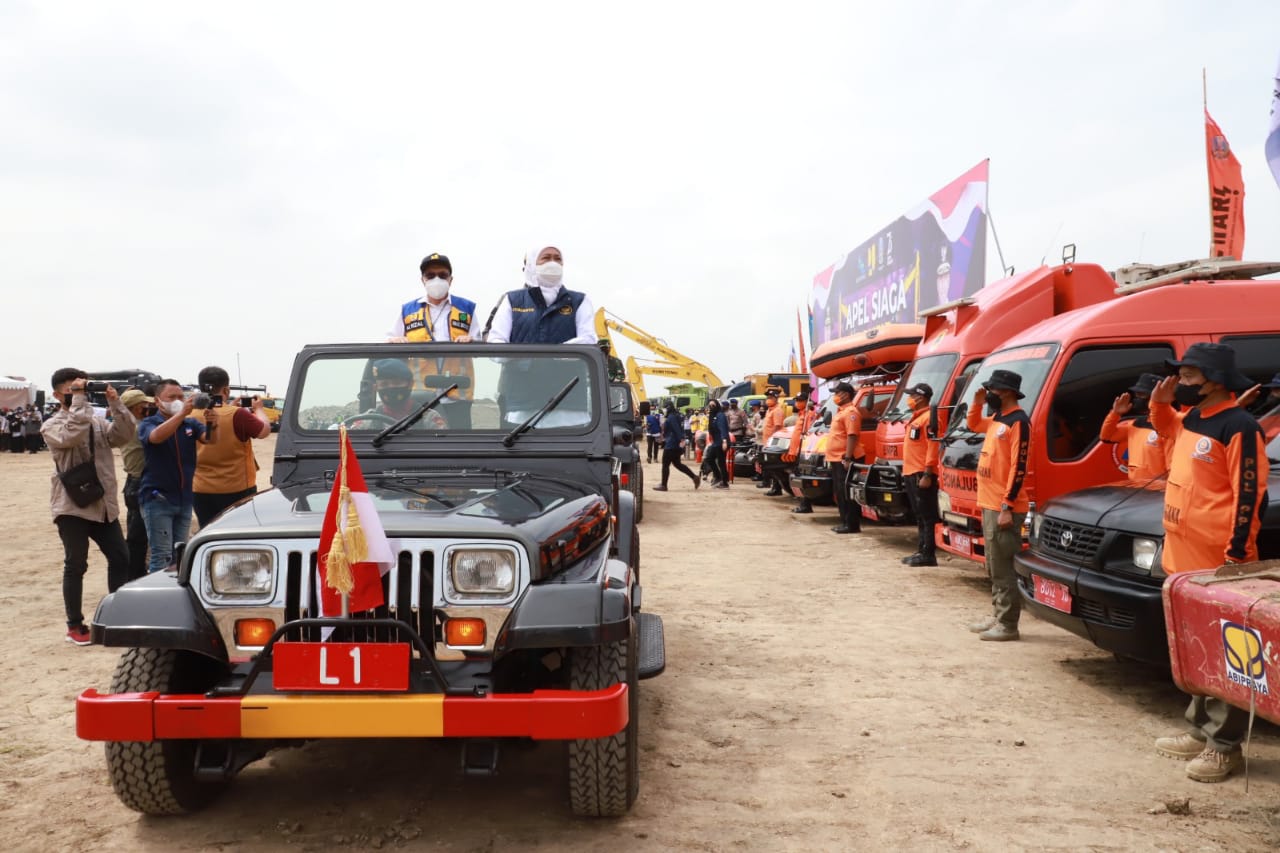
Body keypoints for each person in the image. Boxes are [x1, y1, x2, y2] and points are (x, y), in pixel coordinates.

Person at [1149, 343, 1268, 783]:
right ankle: (1200, 730)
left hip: (1219, 563)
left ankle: (1225, 746)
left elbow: (1249, 494)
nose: (1182, 381)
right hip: (1184, 561)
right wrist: (1158, 403)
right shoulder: (1193, 419)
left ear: (1215, 379)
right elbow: (1166, 432)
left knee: (1228, 657)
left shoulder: (1240, 426)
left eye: (1190, 374)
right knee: (1198, 653)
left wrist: (1235, 555)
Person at [41, 368, 137, 645]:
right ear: (58, 394)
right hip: (72, 504)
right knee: (76, 564)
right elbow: (71, 435)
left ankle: (117, 617)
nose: (78, 393)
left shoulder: (95, 421)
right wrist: (80, 399)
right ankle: (75, 625)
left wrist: (115, 403)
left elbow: (124, 435)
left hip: (103, 502)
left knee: (121, 557)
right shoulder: (52, 424)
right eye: (72, 390)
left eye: (81, 388)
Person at [965, 370, 1031, 642]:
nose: (989, 393)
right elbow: (973, 424)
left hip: (1004, 506)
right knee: (994, 565)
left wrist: (1007, 504)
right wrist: (977, 403)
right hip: (989, 503)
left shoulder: (1018, 422)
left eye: (991, 390)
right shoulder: (996, 419)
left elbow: (1019, 466)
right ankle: (997, 614)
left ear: (1004, 392)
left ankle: (1008, 624)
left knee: (1003, 566)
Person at [390, 253, 479, 427]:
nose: (436, 279)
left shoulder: (467, 308)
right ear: (422, 280)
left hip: (457, 396)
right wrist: (396, 341)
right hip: (420, 397)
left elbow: (481, 344)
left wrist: (472, 341)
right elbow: (389, 341)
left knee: (460, 448)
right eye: (430, 276)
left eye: (442, 275)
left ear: (451, 279)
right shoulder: (407, 310)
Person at [138, 379, 211, 573]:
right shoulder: (149, 423)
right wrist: (180, 414)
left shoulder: (190, 423)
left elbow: (211, 439)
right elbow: (155, 437)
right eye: (172, 397)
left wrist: (213, 422)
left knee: (180, 555)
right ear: (157, 401)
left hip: (184, 498)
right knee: (161, 556)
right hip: (158, 498)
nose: (177, 401)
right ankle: (156, 599)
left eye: (181, 397)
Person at [192, 367, 273, 528]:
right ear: (226, 389)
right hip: (236, 489)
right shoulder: (237, 414)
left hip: (200, 489)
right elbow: (264, 430)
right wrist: (258, 409)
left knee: (208, 531)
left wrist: (228, 406)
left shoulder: (189, 414)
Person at [485, 245, 597, 344]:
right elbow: (495, 340)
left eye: (557, 259)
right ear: (531, 264)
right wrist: (520, 357)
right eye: (546, 258)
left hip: (567, 368)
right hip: (518, 368)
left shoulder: (580, 301)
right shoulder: (511, 299)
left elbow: (588, 339)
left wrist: (557, 357)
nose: (553, 263)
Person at [1099, 373, 1169, 481]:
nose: (1137, 398)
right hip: (1136, 488)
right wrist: (1115, 414)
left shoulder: (1170, 425)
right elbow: (1107, 436)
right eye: (1136, 394)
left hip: (1158, 491)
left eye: (1142, 395)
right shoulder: (1136, 424)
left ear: (1155, 397)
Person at [901, 382, 941, 566]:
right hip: (911, 472)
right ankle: (921, 549)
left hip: (921, 473)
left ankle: (928, 554)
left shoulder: (929, 419)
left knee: (927, 515)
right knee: (919, 514)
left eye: (912, 395)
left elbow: (933, 447)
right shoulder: (916, 418)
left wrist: (928, 473)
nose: (909, 399)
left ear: (920, 397)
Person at [118, 388, 154, 580]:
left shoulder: (125, 425)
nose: (149, 407)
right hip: (140, 482)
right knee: (138, 536)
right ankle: (134, 575)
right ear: (136, 407)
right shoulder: (137, 428)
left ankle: (134, 572)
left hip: (133, 482)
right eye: (145, 405)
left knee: (137, 533)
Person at [825, 382, 865, 534]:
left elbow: (852, 435)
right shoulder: (841, 412)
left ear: (846, 394)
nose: (835, 396)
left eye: (837, 392)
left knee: (847, 491)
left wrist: (848, 458)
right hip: (836, 458)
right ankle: (845, 522)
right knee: (840, 492)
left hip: (846, 458)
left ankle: (852, 524)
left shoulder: (851, 412)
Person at [653, 402, 700, 492]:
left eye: (665, 408)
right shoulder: (676, 415)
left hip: (672, 444)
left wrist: (681, 439)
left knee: (665, 464)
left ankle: (664, 485)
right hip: (674, 443)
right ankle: (694, 477)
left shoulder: (672, 417)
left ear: (669, 408)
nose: (664, 410)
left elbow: (676, 429)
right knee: (677, 464)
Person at [784, 390, 817, 514]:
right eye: (797, 401)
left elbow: (808, 433)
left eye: (800, 401)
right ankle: (803, 503)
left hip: (803, 450)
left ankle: (805, 504)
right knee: (797, 477)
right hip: (796, 449)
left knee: (802, 478)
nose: (797, 403)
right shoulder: (801, 414)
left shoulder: (809, 414)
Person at [759, 390, 787, 494]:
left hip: (773, 444)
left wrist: (772, 441)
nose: (768, 400)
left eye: (771, 397)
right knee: (771, 467)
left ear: (776, 398)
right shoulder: (769, 410)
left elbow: (777, 426)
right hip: (767, 442)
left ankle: (777, 488)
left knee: (774, 467)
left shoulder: (777, 411)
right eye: (767, 397)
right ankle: (775, 487)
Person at [704, 399, 730, 488]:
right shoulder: (713, 415)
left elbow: (723, 429)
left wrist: (724, 441)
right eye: (710, 405)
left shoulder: (720, 415)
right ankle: (718, 477)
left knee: (721, 462)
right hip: (716, 442)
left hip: (722, 442)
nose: (711, 407)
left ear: (717, 405)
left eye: (713, 405)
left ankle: (725, 482)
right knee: (709, 459)